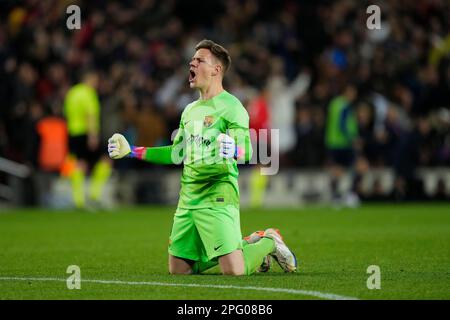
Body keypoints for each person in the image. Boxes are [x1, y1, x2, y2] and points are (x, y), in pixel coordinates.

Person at [108, 39, 297, 275]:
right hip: (188, 199)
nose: (192, 62)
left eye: (199, 60)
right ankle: (245, 244)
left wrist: (234, 151)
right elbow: (175, 154)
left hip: (218, 194)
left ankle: (269, 240)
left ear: (216, 69)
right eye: (192, 59)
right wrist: (132, 151)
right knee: (179, 271)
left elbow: (248, 150)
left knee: (234, 272)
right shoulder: (189, 110)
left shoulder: (232, 106)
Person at [63, 70, 112, 209]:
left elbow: (66, 112)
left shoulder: (72, 93)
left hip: (73, 132)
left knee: (79, 164)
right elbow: (90, 114)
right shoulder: (88, 93)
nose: (96, 84)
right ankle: (94, 196)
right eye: (95, 80)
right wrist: (93, 135)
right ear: (89, 79)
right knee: (105, 160)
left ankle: (78, 200)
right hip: (86, 132)